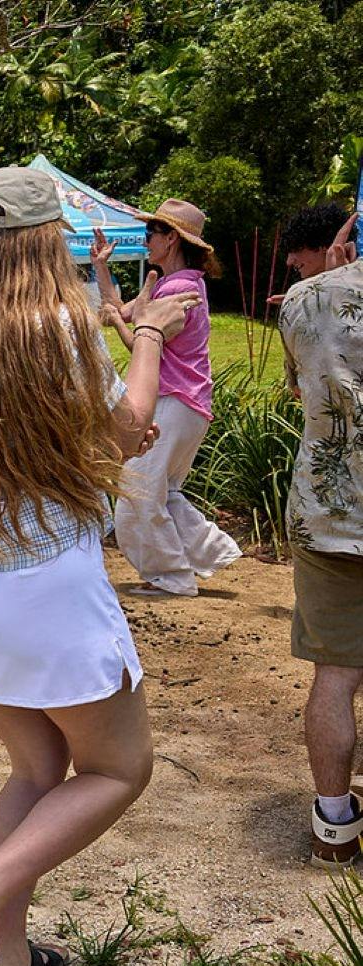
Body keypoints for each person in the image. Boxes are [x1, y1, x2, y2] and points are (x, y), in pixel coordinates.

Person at [0, 167, 195, 966]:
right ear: (43, 242)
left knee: (37, 764)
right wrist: (147, 337)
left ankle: (8, 952)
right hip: (46, 586)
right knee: (118, 767)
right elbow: (127, 436)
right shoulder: (56, 330)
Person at [92, 202, 242, 596]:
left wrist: (131, 329)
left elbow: (142, 338)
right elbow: (125, 316)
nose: (146, 241)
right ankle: (213, 551)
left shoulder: (176, 290)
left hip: (173, 402)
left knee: (137, 494)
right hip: (190, 406)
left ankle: (172, 576)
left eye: (151, 234)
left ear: (171, 237)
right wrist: (102, 268)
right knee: (164, 492)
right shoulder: (184, 285)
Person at [275, 203, 363, 866]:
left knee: (335, 672)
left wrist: (329, 281)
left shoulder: (302, 298)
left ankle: (334, 827)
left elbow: (304, 389)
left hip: (329, 513)